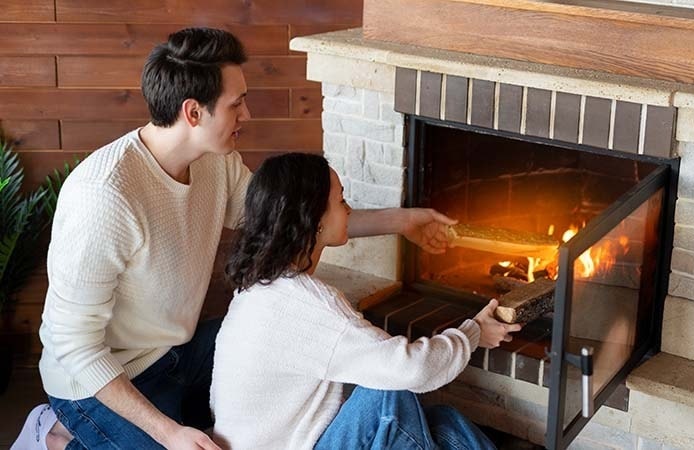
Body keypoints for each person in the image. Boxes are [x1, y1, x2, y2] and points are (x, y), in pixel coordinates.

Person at [12, 27, 460, 450]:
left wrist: (404, 221)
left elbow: (295, 222)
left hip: (178, 351)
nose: (246, 115)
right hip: (97, 382)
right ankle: (52, 435)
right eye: (236, 104)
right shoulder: (104, 197)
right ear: (193, 112)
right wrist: (169, 433)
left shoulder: (215, 161)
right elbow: (76, 347)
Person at [210, 153, 522, 450]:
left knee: (443, 421)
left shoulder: (261, 288)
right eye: (341, 200)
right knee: (387, 395)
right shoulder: (306, 303)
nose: (348, 210)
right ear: (314, 218)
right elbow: (410, 369)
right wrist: (473, 332)